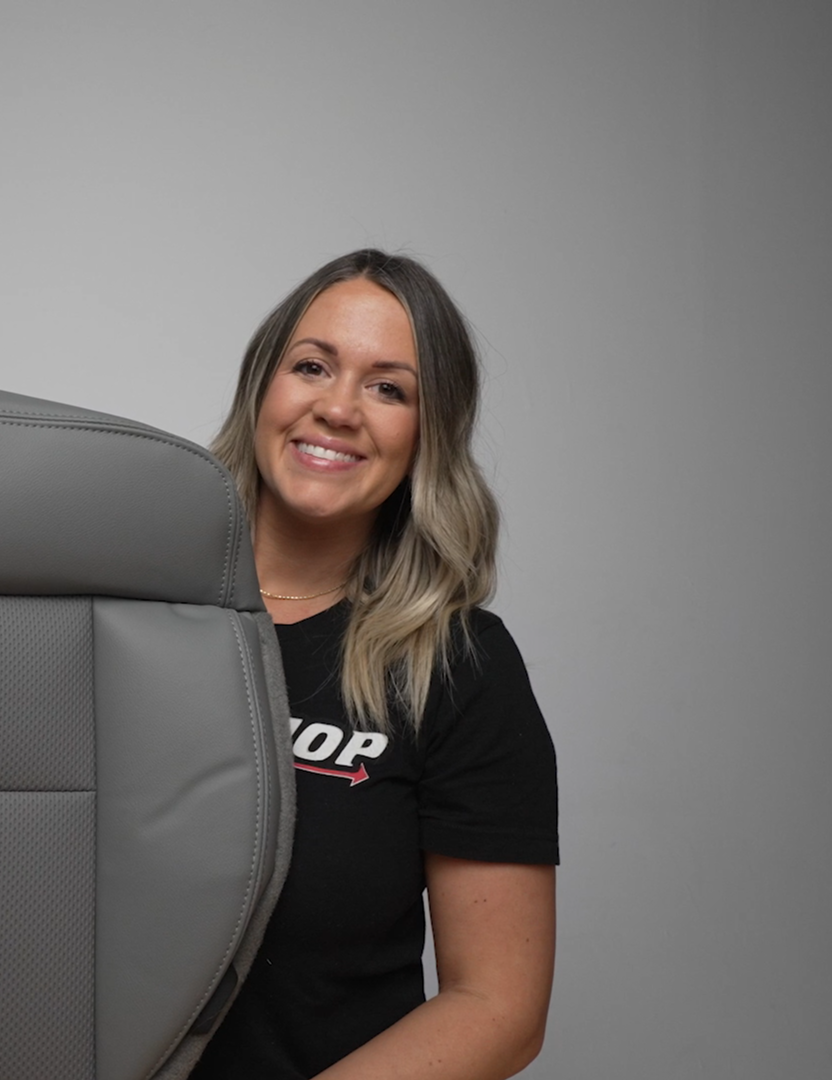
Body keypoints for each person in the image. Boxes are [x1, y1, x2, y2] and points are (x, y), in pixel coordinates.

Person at [190, 250, 559, 1080]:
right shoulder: (129, 607)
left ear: (429, 434)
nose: (337, 408)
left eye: (389, 388)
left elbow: (498, 1008)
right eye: (312, 367)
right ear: (261, 386)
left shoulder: (458, 667)